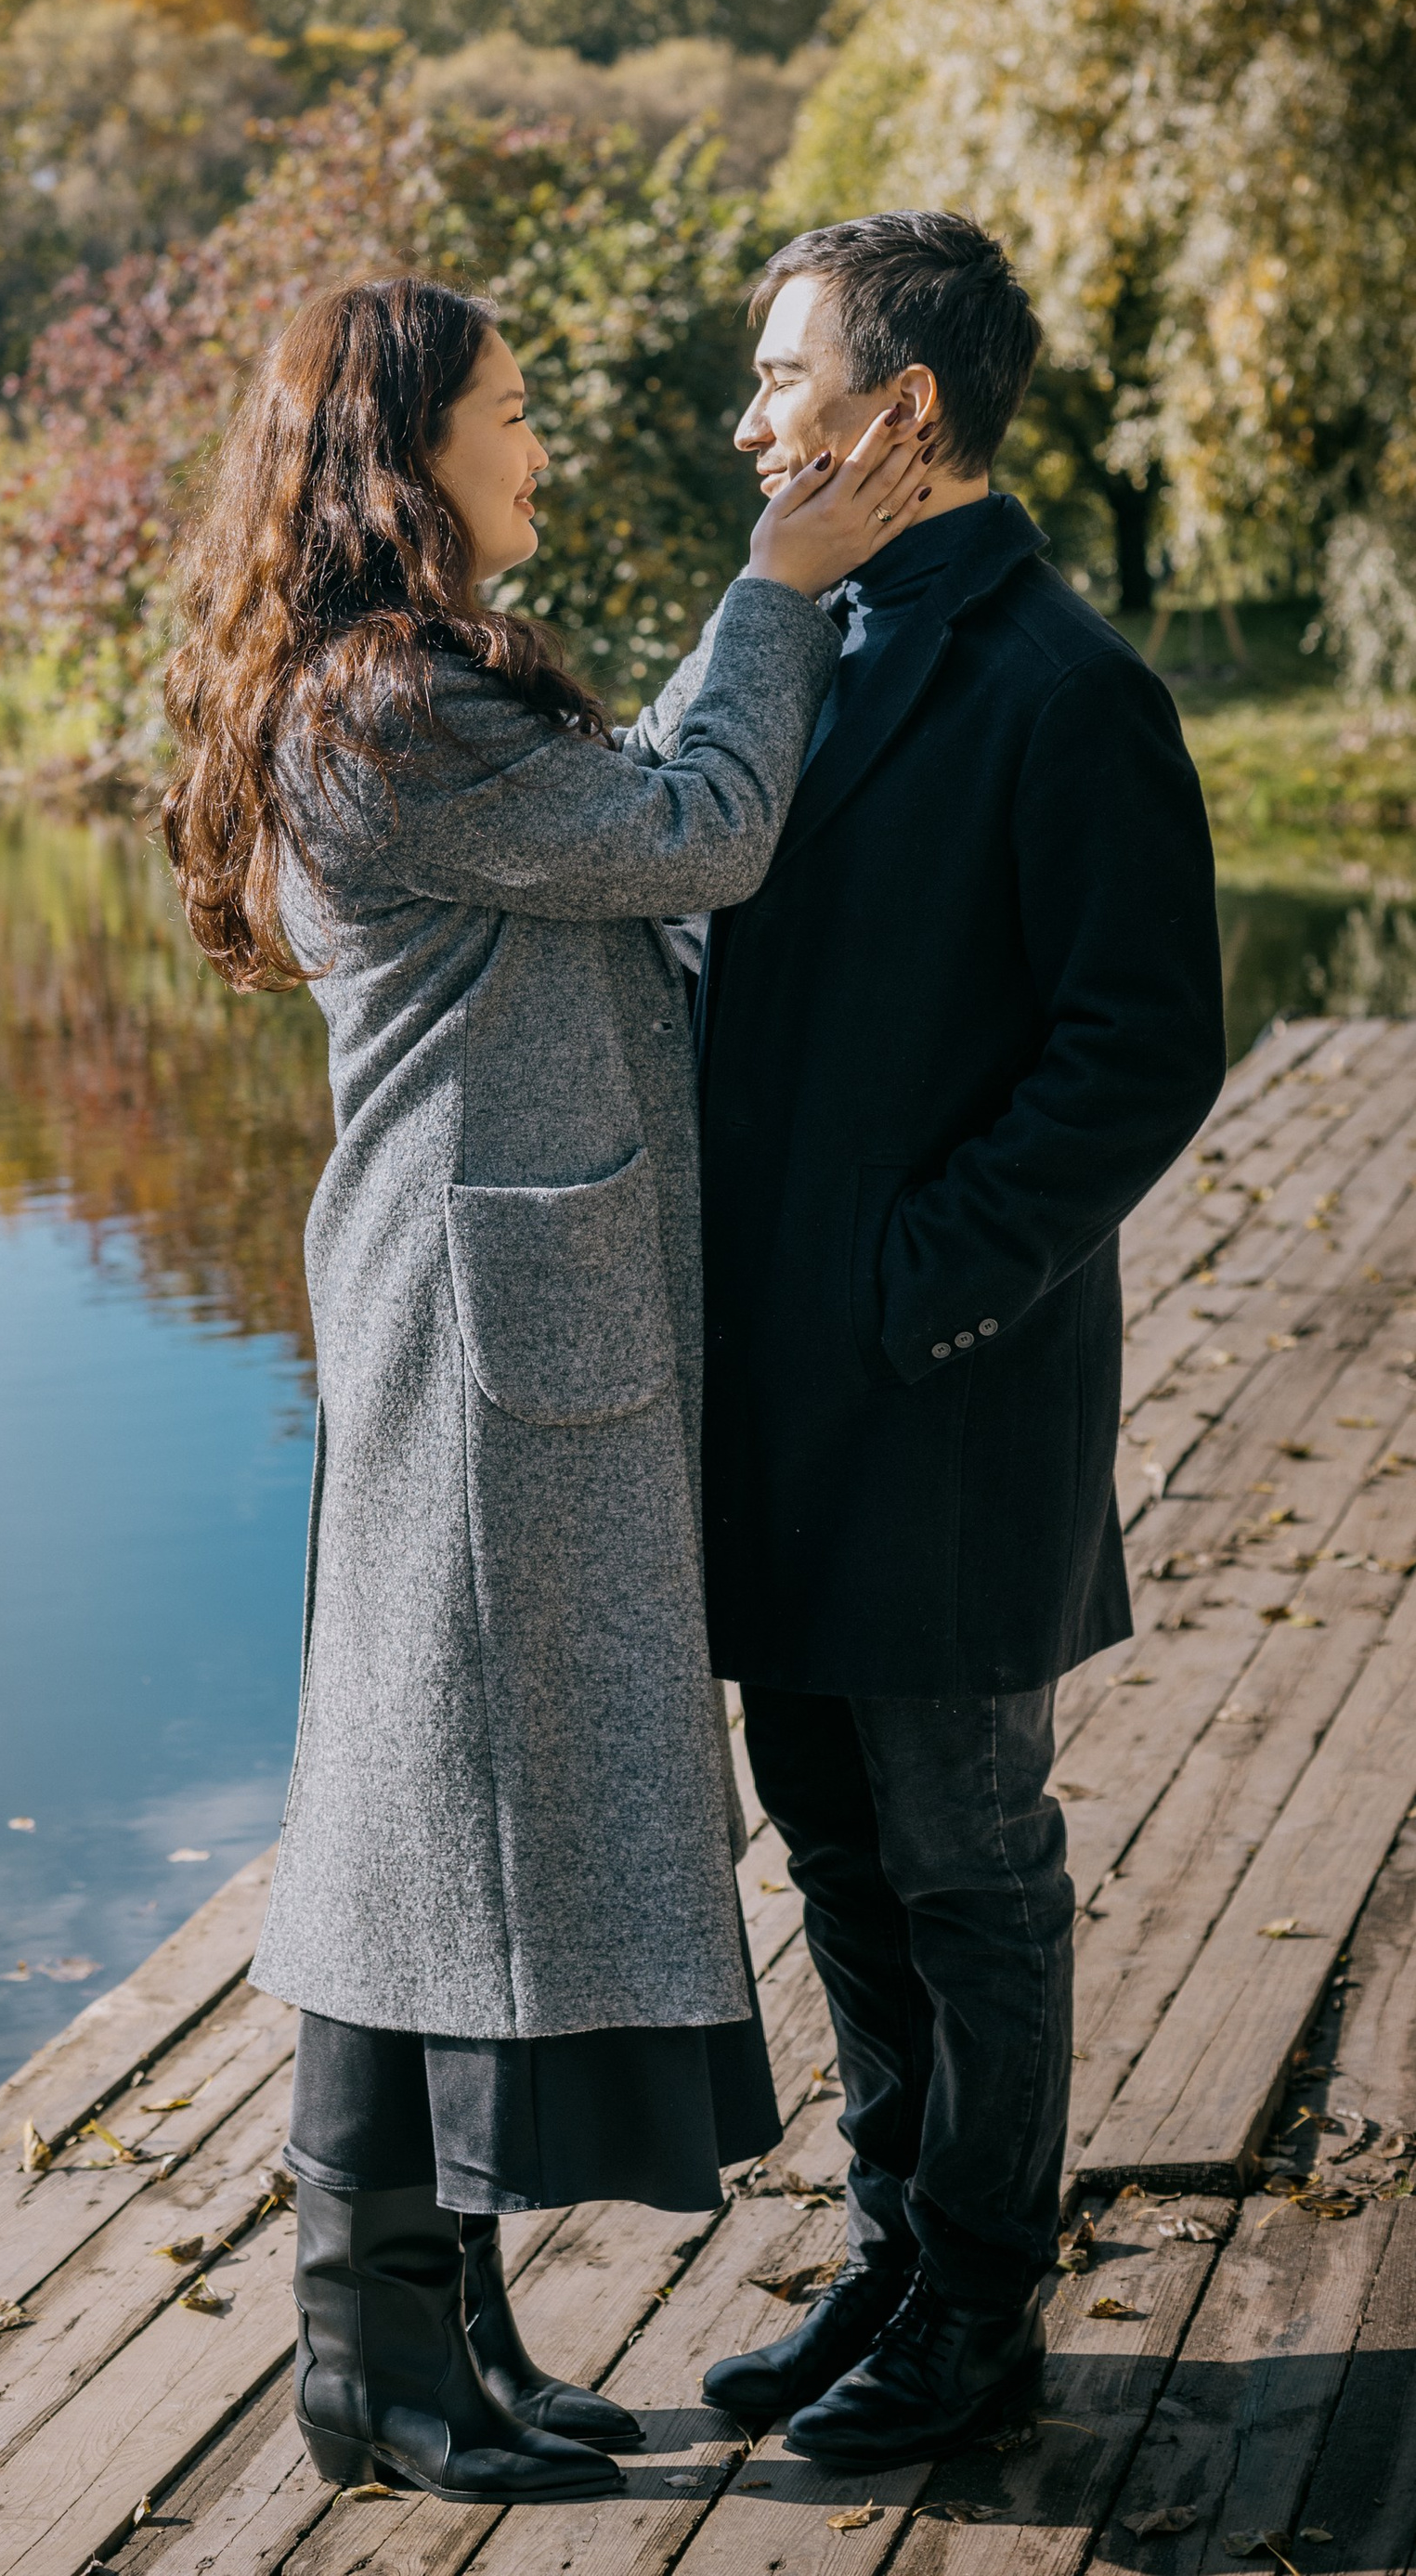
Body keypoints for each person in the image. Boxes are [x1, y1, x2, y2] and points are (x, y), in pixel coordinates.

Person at [159, 275, 933, 2504]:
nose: (536, 450)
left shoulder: (413, 694)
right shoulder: (382, 711)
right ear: (402, 457)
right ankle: (368, 2361)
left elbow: (640, 799)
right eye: (506, 417)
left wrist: (762, 602)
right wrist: (781, 587)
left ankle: (447, 2338)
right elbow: (700, 835)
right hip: (480, 1336)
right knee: (409, 1822)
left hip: (499, 1316)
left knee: (430, 1816)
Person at [681, 214, 1228, 2468]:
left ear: (896, 412)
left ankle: (982, 2307)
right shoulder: (797, 638)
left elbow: (1137, 1053)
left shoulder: (1067, 686)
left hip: (937, 1391)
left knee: (965, 1859)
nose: (746, 420)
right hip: (766, 1397)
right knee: (827, 1850)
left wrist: (924, 1280)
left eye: (781, 373)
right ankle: (892, 2246)